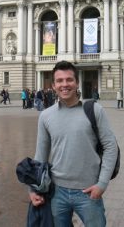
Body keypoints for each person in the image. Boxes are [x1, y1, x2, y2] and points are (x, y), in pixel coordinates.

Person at [29, 61, 118, 227]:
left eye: (69, 80)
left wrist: (102, 184)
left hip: (88, 191)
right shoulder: (46, 116)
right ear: (53, 85)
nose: (65, 84)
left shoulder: (94, 110)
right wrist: (34, 188)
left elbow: (110, 147)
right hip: (56, 192)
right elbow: (40, 156)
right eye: (60, 81)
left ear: (76, 82)